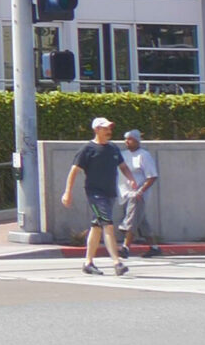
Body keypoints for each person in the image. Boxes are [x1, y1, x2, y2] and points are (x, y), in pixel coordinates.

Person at [60, 116, 128, 275]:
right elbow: (74, 171)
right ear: (97, 130)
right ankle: (117, 263)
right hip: (95, 195)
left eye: (110, 129)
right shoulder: (87, 149)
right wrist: (67, 192)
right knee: (107, 225)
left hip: (110, 193)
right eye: (105, 129)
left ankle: (88, 263)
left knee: (96, 227)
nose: (109, 131)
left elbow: (123, 167)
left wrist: (131, 180)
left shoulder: (113, 149)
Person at [119, 128, 160, 259]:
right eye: (126, 139)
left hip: (138, 195)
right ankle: (154, 248)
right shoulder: (123, 154)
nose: (127, 141)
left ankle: (125, 247)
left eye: (130, 139)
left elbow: (152, 176)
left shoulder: (144, 155)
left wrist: (140, 191)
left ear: (137, 141)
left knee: (131, 219)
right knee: (141, 221)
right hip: (125, 193)